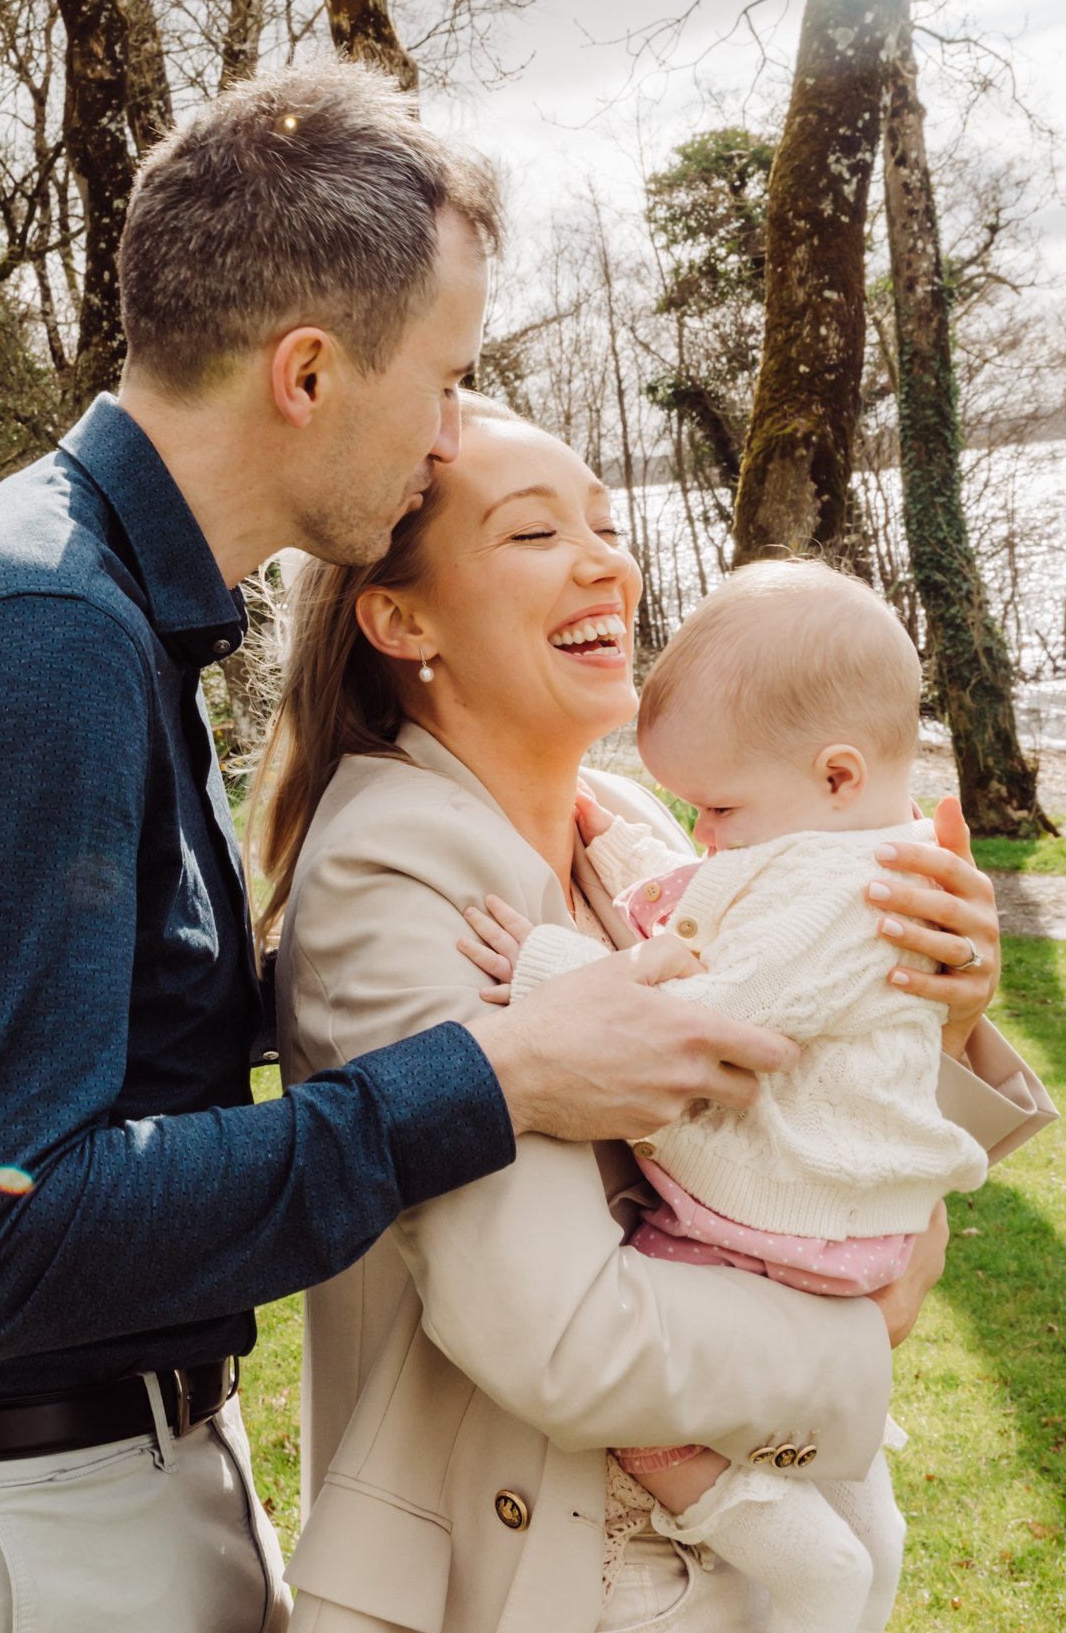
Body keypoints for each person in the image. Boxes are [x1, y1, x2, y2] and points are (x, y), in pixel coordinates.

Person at [0, 63, 805, 1633]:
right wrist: (495, 1082)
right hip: (16, 1532)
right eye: (443, 377)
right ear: (307, 372)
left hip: (84, 1484)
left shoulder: (78, 607)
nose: (450, 433)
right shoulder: (41, 635)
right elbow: (8, 1234)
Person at [260, 401, 1054, 1632]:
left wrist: (937, 1017)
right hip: (543, 1584)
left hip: (716, 1559)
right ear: (401, 619)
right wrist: (866, 1331)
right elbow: (562, 1336)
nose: (607, 561)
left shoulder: (635, 815)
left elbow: (803, 1104)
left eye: (608, 520)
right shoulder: (393, 870)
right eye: (535, 533)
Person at [459, 560, 999, 1633]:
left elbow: (717, 1012)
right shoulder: (836, 847)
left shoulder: (838, 885)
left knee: (751, 1509)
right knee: (868, 1525)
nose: (703, 832)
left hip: (764, 1234)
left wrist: (545, 969)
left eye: (716, 807)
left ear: (838, 777)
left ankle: (809, 1578)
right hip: (845, 1239)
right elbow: (708, 916)